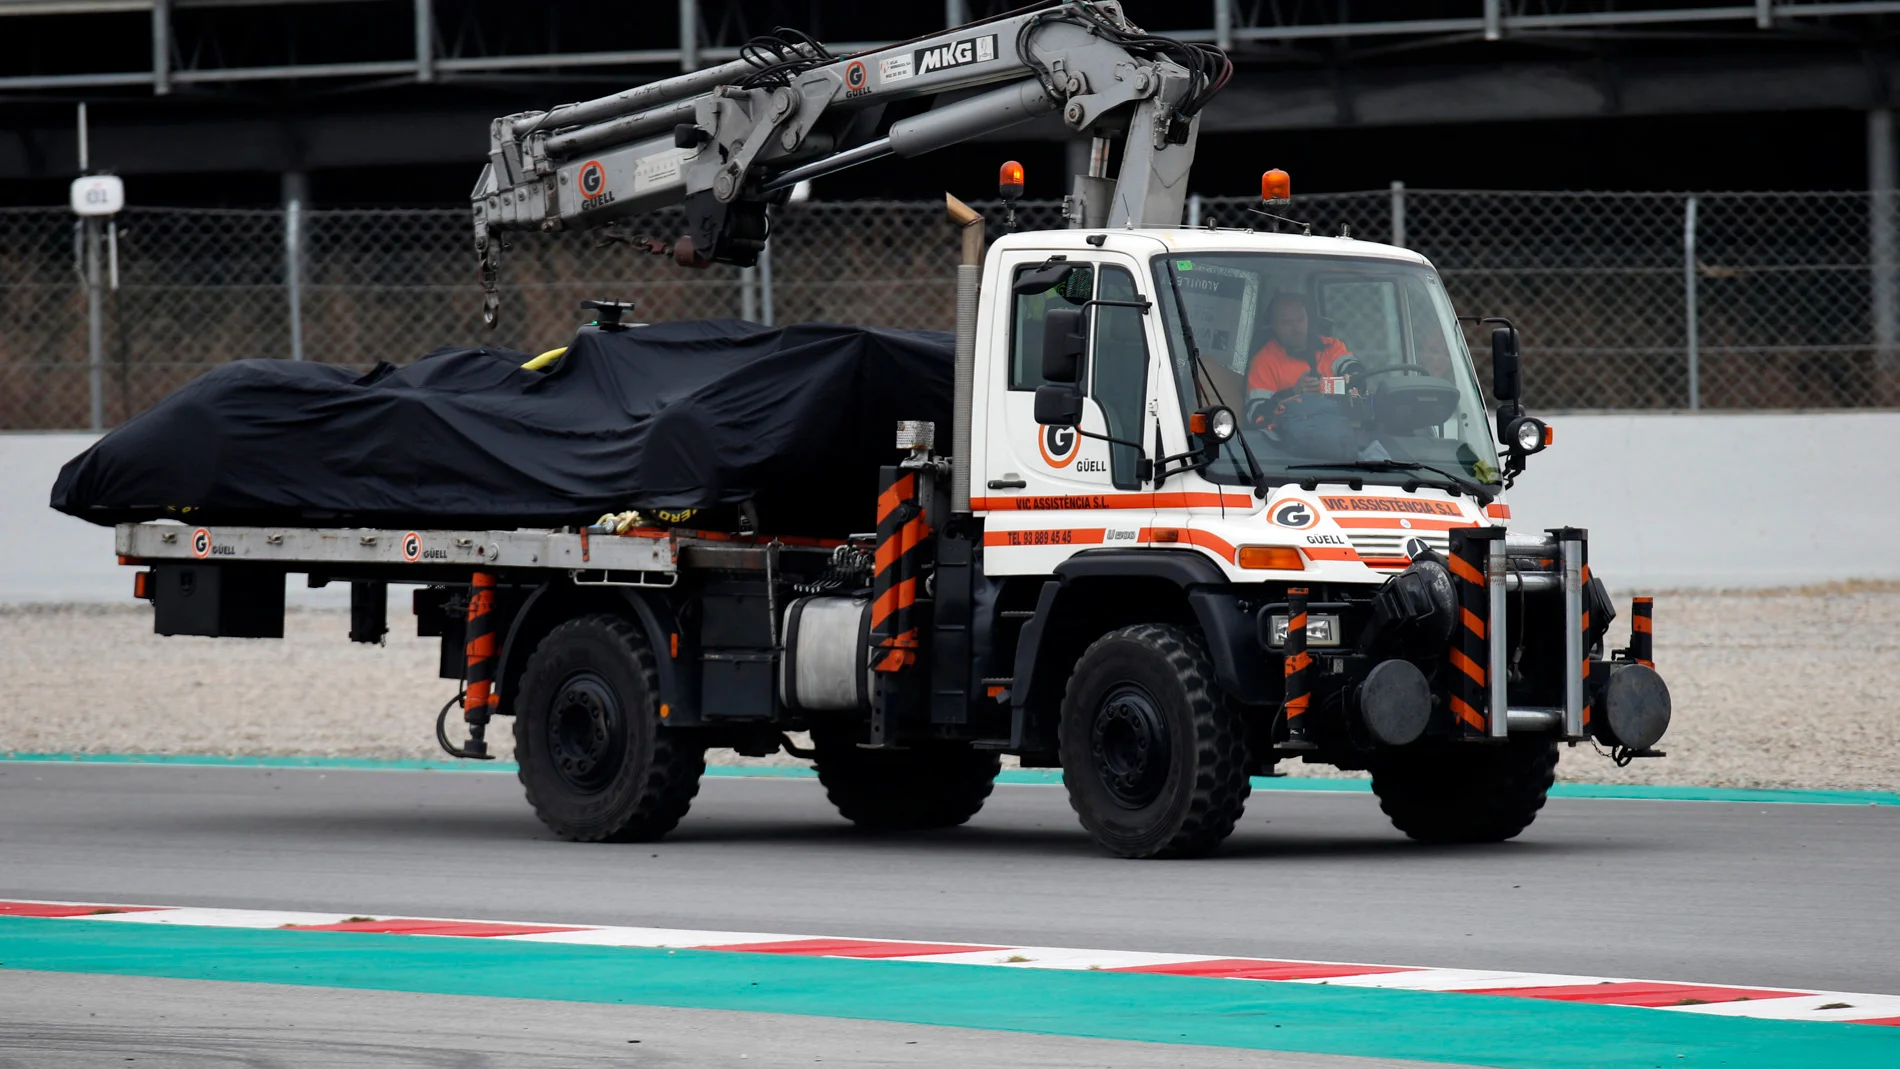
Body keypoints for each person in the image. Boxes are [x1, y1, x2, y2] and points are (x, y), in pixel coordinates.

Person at [1245, 293, 1360, 409]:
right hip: (1290, 426)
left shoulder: (1329, 346)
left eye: (1300, 319)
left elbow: (1349, 365)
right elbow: (1256, 414)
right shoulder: (1264, 362)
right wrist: (1293, 394)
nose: (1296, 328)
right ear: (1274, 326)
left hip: (1336, 422)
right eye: (1286, 322)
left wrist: (1354, 375)